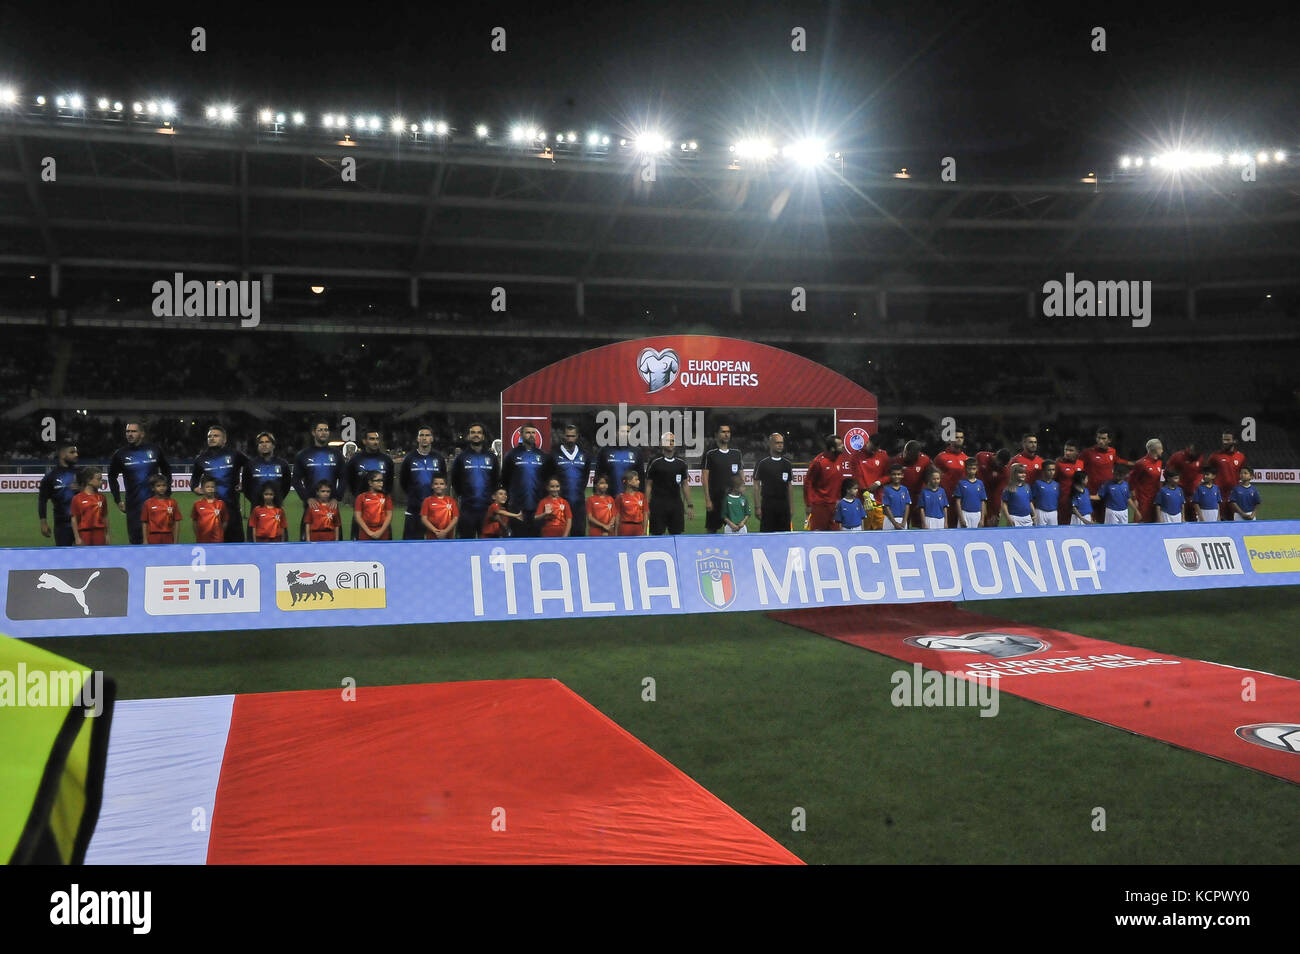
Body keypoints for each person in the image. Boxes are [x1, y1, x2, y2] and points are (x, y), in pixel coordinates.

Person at [109, 421, 172, 544]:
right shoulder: (120, 454)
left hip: (157, 503)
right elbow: (112, 477)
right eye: (128, 431)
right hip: (134, 505)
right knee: (137, 541)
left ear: (142, 434)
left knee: (159, 539)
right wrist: (118, 499)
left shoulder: (154, 450)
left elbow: (166, 469)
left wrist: (167, 491)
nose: (130, 434)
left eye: (133, 431)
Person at [191, 425, 248, 543]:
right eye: (209, 436)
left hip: (232, 507)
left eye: (216, 436)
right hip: (210, 512)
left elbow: (251, 466)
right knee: (211, 545)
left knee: (236, 544)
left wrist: (245, 482)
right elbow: (194, 479)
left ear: (224, 439)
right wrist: (196, 488)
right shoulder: (201, 458)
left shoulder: (234, 455)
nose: (212, 438)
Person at [293, 421, 345, 541]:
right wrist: (307, 498)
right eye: (320, 430)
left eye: (326, 430)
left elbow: (343, 478)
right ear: (313, 432)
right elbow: (295, 480)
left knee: (336, 546)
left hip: (331, 507)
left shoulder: (336, 454)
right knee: (307, 546)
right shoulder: (303, 455)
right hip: (311, 507)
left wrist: (337, 497)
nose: (323, 432)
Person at [450, 423, 499, 539]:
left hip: (487, 509)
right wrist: (463, 495)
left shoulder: (491, 457)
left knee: (488, 546)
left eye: (479, 432)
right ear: (469, 436)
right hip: (467, 509)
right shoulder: (461, 458)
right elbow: (455, 480)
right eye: (473, 432)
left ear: (483, 436)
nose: (476, 435)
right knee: (466, 545)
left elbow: (496, 479)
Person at [501, 425, 550, 537]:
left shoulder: (542, 455)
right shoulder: (511, 455)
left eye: (533, 433)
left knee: (536, 538)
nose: (531, 435)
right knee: (517, 539)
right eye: (528, 432)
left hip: (537, 506)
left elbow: (546, 479)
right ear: (521, 434)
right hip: (517, 507)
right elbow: (505, 479)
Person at [399, 426, 447, 541]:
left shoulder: (438, 458)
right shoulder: (409, 458)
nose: (424, 438)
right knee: (411, 544)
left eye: (427, 435)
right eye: (421, 435)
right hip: (414, 508)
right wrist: (413, 494)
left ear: (432, 439)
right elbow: (403, 481)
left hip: (435, 509)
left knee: (435, 543)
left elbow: (443, 479)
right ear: (417, 439)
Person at [346, 430, 395, 540]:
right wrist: (359, 496)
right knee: (358, 548)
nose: (375, 442)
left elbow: (390, 483)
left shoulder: (386, 460)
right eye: (372, 439)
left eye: (377, 439)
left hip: (381, 509)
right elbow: (350, 480)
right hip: (362, 508)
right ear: (364, 441)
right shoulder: (355, 460)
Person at [804, 434, 857, 531]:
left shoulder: (839, 459)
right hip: (820, 506)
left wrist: (840, 498)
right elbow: (808, 483)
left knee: (835, 534)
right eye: (840, 445)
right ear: (832, 448)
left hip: (835, 505)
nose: (843, 446)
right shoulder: (818, 462)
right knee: (818, 535)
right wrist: (808, 504)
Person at [645, 433, 693, 535]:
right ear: (661, 444)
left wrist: (690, 505)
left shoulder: (681, 463)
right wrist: (646, 506)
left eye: (673, 440)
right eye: (668, 440)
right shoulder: (654, 462)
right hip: (658, 505)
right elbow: (648, 484)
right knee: (657, 536)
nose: (671, 443)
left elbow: (685, 484)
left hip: (676, 505)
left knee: (676, 536)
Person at [552, 424, 592, 537]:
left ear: (577, 436)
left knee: (578, 532)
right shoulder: (554, 454)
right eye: (567, 436)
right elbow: (549, 477)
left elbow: (585, 476)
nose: (570, 438)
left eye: (572, 436)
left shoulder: (584, 454)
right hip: (559, 502)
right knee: (559, 533)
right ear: (563, 436)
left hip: (578, 501)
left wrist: (579, 491)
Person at [702, 424, 744, 533]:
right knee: (712, 530)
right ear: (716, 435)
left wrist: (742, 496)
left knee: (735, 529)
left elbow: (741, 475)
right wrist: (707, 500)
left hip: (733, 500)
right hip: (715, 499)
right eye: (723, 432)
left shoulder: (736, 453)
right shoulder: (710, 454)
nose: (726, 434)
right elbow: (705, 478)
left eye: (728, 432)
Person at [38, 442, 80, 546]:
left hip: (83, 524)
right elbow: (42, 500)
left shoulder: (81, 473)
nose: (76, 455)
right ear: (62, 455)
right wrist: (43, 522)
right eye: (72, 452)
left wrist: (81, 489)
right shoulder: (50, 477)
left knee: (83, 558)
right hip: (62, 526)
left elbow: (93, 495)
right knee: (64, 558)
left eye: (76, 452)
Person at [753, 432, 794, 532]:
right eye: (777, 443)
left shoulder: (787, 464)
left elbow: (789, 486)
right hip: (768, 504)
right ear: (770, 444)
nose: (780, 445)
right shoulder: (762, 463)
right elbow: (756, 485)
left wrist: (791, 507)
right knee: (767, 535)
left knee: (784, 535)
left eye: (782, 443)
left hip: (783, 505)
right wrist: (757, 507)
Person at [242, 432, 292, 514]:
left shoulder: (282, 464)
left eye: (267, 442)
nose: (264, 444)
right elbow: (246, 486)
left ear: (273, 445)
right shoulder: (250, 464)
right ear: (257, 446)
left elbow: (286, 486)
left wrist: (278, 499)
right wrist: (256, 500)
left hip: (276, 508)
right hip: (256, 509)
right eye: (261, 442)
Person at [594, 425, 645, 503]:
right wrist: (597, 495)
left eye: (628, 432)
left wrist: (641, 497)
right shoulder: (605, 451)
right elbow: (598, 474)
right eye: (622, 431)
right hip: (608, 498)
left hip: (631, 500)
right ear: (616, 433)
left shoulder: (637, 452)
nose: (625, 434)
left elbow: (641, 477)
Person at [1080, 428, 1124, 516]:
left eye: (1103, 438)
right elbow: (1078, 465)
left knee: (1107, 520)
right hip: (1092, 492)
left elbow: (1118, 462)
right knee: (1089, 520)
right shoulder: (1087, 453)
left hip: (1108, 492)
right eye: (1098, 438)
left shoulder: (1112, 451)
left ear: (1109, 440)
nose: (1100, 441)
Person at [1207, 431, 1247, 521]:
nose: (1225, 442)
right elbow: (1207, 474)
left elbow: (1243, 474)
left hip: (1235, 496)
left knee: (1235, 520)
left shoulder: (1241, 456)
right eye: (1224, 439)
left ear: (1235, 441)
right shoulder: (1215, 456)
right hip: (1218, 496)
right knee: (1218, 521)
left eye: (1228, 439)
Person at [931, 430, 968, 527]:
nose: (959, 439)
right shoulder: (941, 457)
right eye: (956, 437)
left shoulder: (965, 458)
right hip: (944, 499)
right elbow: (932, 478)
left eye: (961, 437)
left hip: (961, 500)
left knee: (960, 527)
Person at [896, 440, 933, 528]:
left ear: (916, 455)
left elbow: (929, 479)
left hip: (918, 496)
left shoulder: (925, 460)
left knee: (920, 523)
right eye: (904, 452)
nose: (905, 455)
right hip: (902, 496)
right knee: (903, 522)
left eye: (908, 455)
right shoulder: (897, 460)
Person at [69, 466, 109, 546]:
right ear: (89, 480)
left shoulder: (102, 498)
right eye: (98, 479)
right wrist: (77, 538)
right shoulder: (77, 498)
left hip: (99, 533)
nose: (101, 482)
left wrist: (107, 535)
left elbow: (105, 517)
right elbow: (74, 519)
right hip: (84, 534)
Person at [1129, 438, 1164, 523]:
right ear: (1155, 450)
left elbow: (1161, 479)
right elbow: (1131, 481)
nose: (1162, 451)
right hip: (1143, 500)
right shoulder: (1141, 464)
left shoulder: (1160, 463)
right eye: (1161, 448)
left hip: (1156, 499)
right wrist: (1135, 498)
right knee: (1142, 523)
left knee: (1156, 523)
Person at [1165, 442, 1201, 522]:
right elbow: (1168, 471)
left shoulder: (1200, 458)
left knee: (1194, 517)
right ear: (1189, 448)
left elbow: (1201, 472)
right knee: (1179, 515)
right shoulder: (1178, 457)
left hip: (1193, 492)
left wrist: (1197, 483)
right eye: (1192, 450)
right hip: (1180, 491)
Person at [141, 474, 182, 544]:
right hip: (153, 537)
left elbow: (177, 522)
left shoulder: (172, 502)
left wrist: (175, 541)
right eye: (158, 486)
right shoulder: (148, 503)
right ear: (153, 488)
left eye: (164, 485)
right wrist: (145, 540)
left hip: (168, 536)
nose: (161, 488)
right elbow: (144, 522)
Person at [976, 448, 1012, 527]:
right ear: (996, 457)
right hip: (974, 494)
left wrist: (994, 513)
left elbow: (998, 493)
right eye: (1000, 463)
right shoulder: (981, 456)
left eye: (1003, 465)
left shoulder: (1005, 472)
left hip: (990, 497)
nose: (1001, 466)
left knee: (989, 524)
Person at [355, 471, 394, 541]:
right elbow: (358, 516)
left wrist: (380, 531)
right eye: (378, 481)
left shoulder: (386, 496)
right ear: (370, 483)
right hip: (365, 532)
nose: (381, 483)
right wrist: (369, 532)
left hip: (383, 532)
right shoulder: (361, 497)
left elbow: (389, 515)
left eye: (382, 480)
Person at [855, 434, 892, 507]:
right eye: (871, 449)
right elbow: (857, 476)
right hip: (862, 498)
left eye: (875, 450)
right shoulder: (856, 456)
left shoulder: (883, 455)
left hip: (878, 499)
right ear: (867, 442)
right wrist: (866, 491)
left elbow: (889, 475)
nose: (873, 452)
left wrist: (878, 483)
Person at [191, 477, 228, 544]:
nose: (210, 489)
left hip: (217, 540)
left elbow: (225, 521)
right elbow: (194, 522)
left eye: (212, 487)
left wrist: (220, 532)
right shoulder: (197, 504)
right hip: (202, 539)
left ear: (215, 489)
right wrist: (198, 535)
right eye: (207, 487)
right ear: (202, 489)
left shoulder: (221, 503)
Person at [1053, 441, 1083, 525]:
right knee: (1063, 524)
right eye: (1066, 450)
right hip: (1064, 500)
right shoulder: (1059, 463)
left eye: (1071, 450)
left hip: (1078, 500)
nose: (1067, 453)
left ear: (1077, 452)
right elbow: (1053, 481)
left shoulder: (1081, 463)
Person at [955, 458, 988, 529]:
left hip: (977, 515)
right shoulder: (961, 483)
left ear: (977, 469)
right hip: (965, 514)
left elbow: (983, 502)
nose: (971, 471)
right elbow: (958, 502)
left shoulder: (980, 483)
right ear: (966, 469)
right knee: (962, 537)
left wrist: (982, 519)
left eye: (974, 469)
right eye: (969, 469)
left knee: (977, 538)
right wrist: (961, 518)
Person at [614, 471, 647, 536]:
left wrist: (645, 530)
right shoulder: (620, 497)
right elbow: (617, 516)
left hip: (639, 528)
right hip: (625, 528)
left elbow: (645, 513)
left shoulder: (641, 496)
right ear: (629, 482)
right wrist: (615, 533)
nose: (639, 481)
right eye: (636, 479)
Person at [881, 465, 911, 531]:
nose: (896, 476)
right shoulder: (886, 489)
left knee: (903, 541)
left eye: (898, 474)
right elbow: (886, 507)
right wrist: (894, 523)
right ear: (890, 475)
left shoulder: (904, 489)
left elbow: (907, 506)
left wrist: (904, 522)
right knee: (889, 541)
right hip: (890, 520)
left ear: (902, 475)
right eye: (894, 474)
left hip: (902, 520)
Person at [1031, 459, 1060, 526]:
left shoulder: (1056, 485)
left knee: (1053, 533)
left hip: (1053, 512)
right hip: (1040, 512)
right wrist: (1034, 513)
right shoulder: (1037, 484)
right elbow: (1032, 500)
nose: (1051, 472)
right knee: (1040, 533)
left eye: (1053, 470)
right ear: (1043, 471)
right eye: (1049, 470)